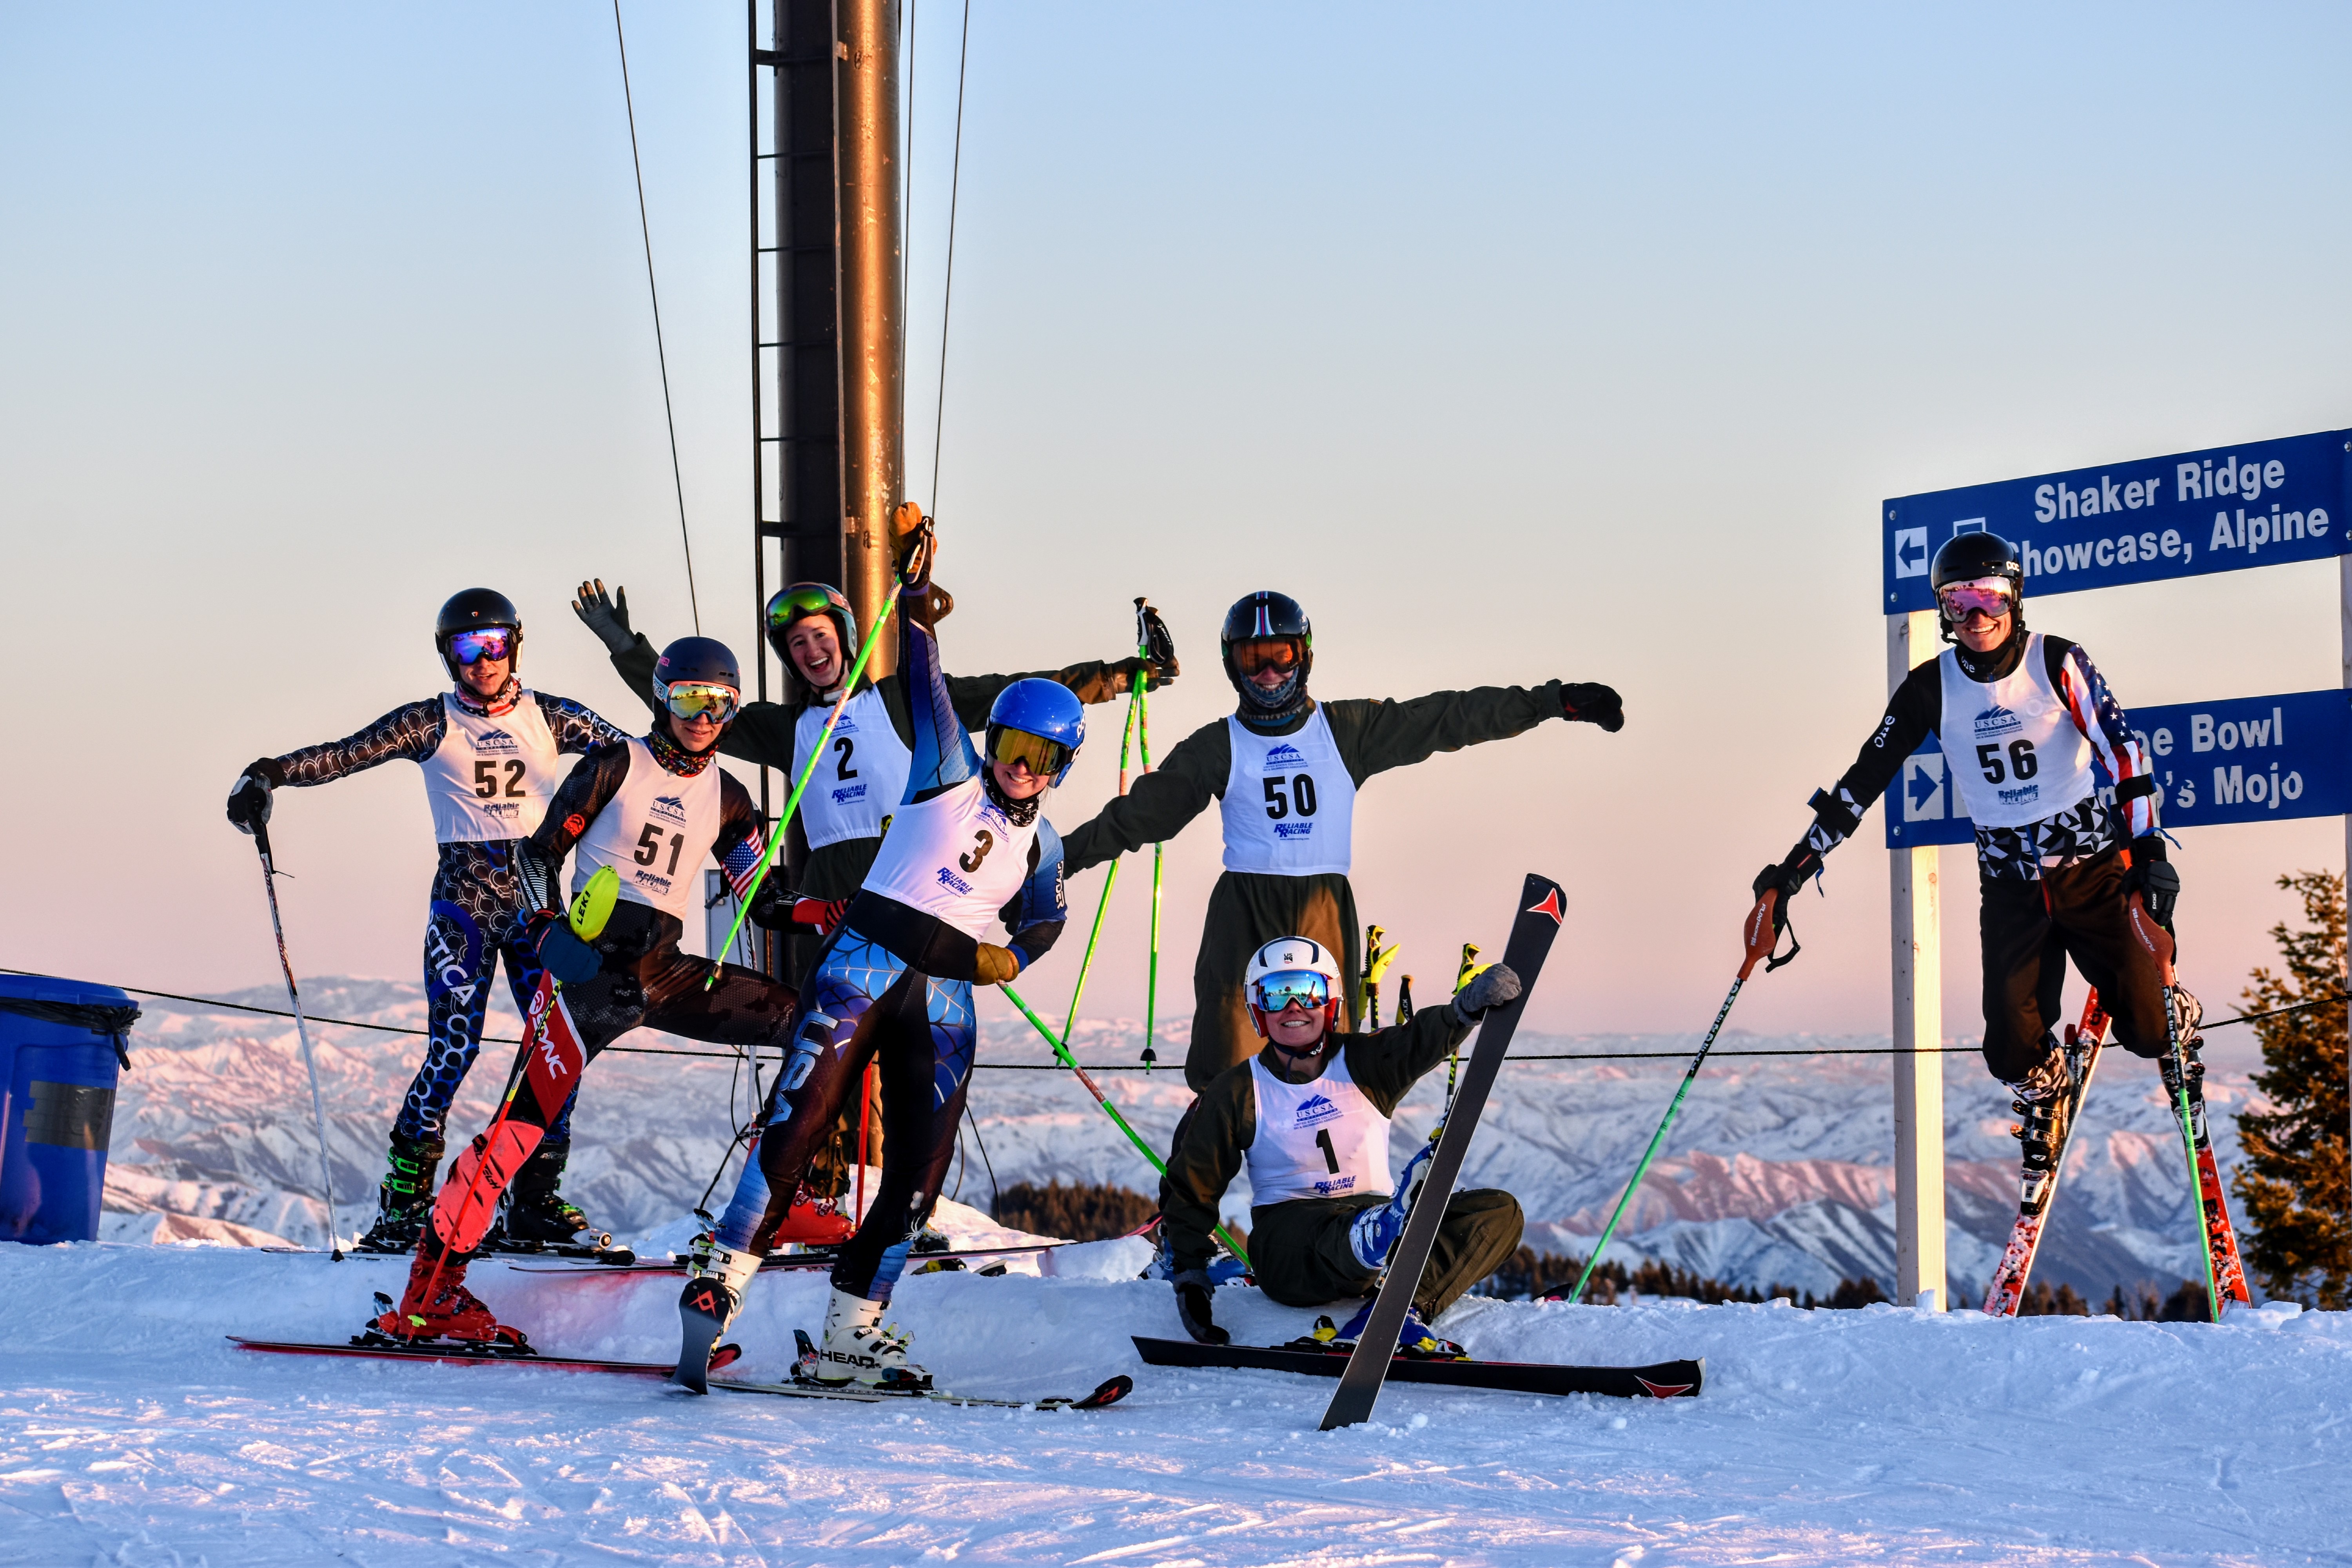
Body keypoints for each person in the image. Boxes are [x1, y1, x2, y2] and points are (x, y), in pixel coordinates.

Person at [671, 532, 1080, 1393]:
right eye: (1010, 741)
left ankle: (852, 1332)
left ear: (1059, 768)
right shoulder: (948, 768)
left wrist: (1007, 958)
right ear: (991, 736)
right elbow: (926, 680)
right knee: (801, 1119)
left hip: (944, 1005)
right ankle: (724, 1275)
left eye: (1039, 757)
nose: (1018, 763)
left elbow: (1043, 925)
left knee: (920, 1175)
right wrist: (916, 591)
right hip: (863, 964)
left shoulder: (1044, 846)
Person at [372, 634, 795, 1347]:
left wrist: (836, 910)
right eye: (688, 698)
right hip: (589, 977)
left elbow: (765, 899)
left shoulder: (728, 795)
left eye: (718, 703)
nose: (701, 715)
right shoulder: (614, 763)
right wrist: (543, 930)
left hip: (662, 975)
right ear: (661, 697)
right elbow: (539, 857)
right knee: (519, 1128)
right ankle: (431, 1290)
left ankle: (771, 1208)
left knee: (810, 1028)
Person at [1746, 530, 2197, 1189]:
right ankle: (2048, 1091)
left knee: (2150, 1034)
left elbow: (2123, 753)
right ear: (1943, 612)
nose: (1976, 617)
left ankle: (2170, 1009)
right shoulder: (1931, 688)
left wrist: (2150, 852)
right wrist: (1791, 873)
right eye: (1957, 602)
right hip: (2012, 890)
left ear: (2015, 598)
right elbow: (1862, 782)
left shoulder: (2057, 661)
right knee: (2009, 1050)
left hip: (2091, 874)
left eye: (1987, 597)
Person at [1059, 589, 1623, 1090]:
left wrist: (1554, 702)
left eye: (1281, 656)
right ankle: (1198, 1198)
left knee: (1326, 1068)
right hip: (1243, 912)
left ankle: (1328, 1197)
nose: (1268, 674)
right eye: (1252, 660)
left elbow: (1448, 718)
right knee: (1229, 1072)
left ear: (1303, 655)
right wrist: (1051, 863)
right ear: (1232, 665)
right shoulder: (1217, 745)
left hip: (1324, 908)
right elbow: (1136, 818)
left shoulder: (1347, 731)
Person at [223, 590, 628, 1254]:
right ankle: (404, 1209)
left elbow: (637, 764)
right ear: (449, 657)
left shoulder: (551, 717)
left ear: (515, 646)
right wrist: (268, 774)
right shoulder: (430, 722)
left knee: (556, 1052)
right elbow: (345, 754)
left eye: (495, 644)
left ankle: (534, 1203)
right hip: (464, 908)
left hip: (536, 908)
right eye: (468, 648)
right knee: (451, 1052)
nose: (483, 660)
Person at [572, 566, 1173, 987]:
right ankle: (819, 1165)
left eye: (821, 637)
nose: (811, 651)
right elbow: (690, 704)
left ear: (846, 638)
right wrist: (624, 644)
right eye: (798, 644)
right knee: (826, 1023)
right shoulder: (787, 727)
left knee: (906, 1020)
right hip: (831, 882)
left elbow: (1013, 696)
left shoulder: (904, 700)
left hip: (906, 871)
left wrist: (1118, 676)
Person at [1159, 935, 1527, 1356]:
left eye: (1307, 991)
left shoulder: (1363, 1061)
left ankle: (1396, 1304)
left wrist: (1464, 1010)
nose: (1294, 1007)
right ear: (1259, 1010)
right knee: (1344, 1231)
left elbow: (1417, 1039)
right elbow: (1193, 1185)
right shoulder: (1238, 1090)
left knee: (1499, 1211)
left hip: (1374, 1214)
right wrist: (1190, 1274)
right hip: (1291, 1244)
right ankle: (1378, 1234)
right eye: (1278, 994)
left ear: (1329, 1001)